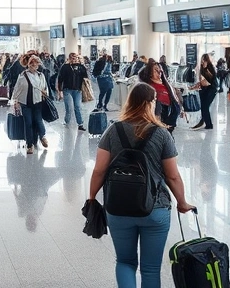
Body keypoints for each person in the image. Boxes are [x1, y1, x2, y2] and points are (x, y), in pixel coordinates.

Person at [89, 83, 194, 288]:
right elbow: (172, 176)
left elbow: (99, 170)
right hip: (155, 208)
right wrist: (182, 202)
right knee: (151, 268)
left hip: (118, 208)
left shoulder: (113, 130)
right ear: (151, 104)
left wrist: (92, 198)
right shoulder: (162, 134)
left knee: (125, 261)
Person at [12, 55, 50, 154]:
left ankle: (42, 136)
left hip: (38, 102)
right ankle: (29, 145)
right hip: (25, 103)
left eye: (36, 63)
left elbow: (45, 88)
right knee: (28, 123)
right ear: (28, 64)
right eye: (31, 63)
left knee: (38, 121)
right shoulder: (23, 75)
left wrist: (45, 94)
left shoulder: (41, 75)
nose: (34, 65)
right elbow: (17, 88)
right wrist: (15, 101)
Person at [138, 59, 184, 131]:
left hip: (169, 121)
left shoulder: (166, 85)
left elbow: (175, 99)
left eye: (160, 70)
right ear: (150, 73)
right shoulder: (149, 87)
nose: (159, 72)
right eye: (156, 70)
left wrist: (181, 109)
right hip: (158, 122)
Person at [56, 53, 89, 131]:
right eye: (72, 58)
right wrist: (59, 90)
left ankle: (80, 123)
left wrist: (83, 65)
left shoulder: (81, 67)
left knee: (77, 106)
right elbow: (60, 78)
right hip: (67, 89)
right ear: (69, 58)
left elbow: (86, 77)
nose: (74, 59)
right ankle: (67, 121)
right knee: (68, 107)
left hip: (77, 89)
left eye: (75, 58)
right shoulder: (65, 67)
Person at [191, 53, 218, 131]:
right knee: (203, 106)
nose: (202, 62)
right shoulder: (202, 68)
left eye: (204, 60)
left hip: (211, 89)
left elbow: (212, 79)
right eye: (202, 60)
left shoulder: (210, 68)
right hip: (204, 89)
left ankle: (208, 124)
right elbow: (201, 79)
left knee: (205, 106)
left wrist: (206, 71)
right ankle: (204, 121)